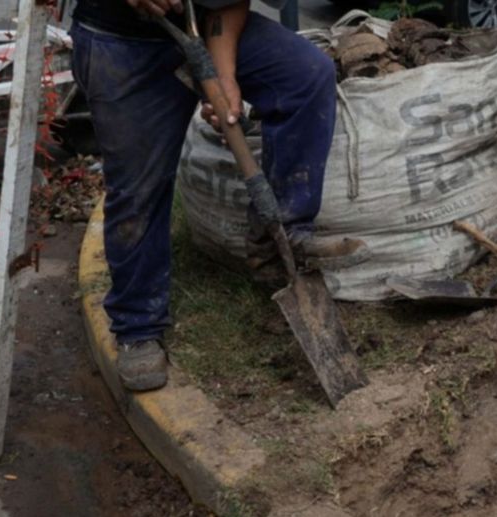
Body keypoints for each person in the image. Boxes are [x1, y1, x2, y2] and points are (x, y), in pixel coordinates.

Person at [70, 0, 355, 391]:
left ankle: (281, 236)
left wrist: (223, 75)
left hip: (200, 23)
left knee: (305, 75)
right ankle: (138, 324)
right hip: (120, 40)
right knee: (138, 189)